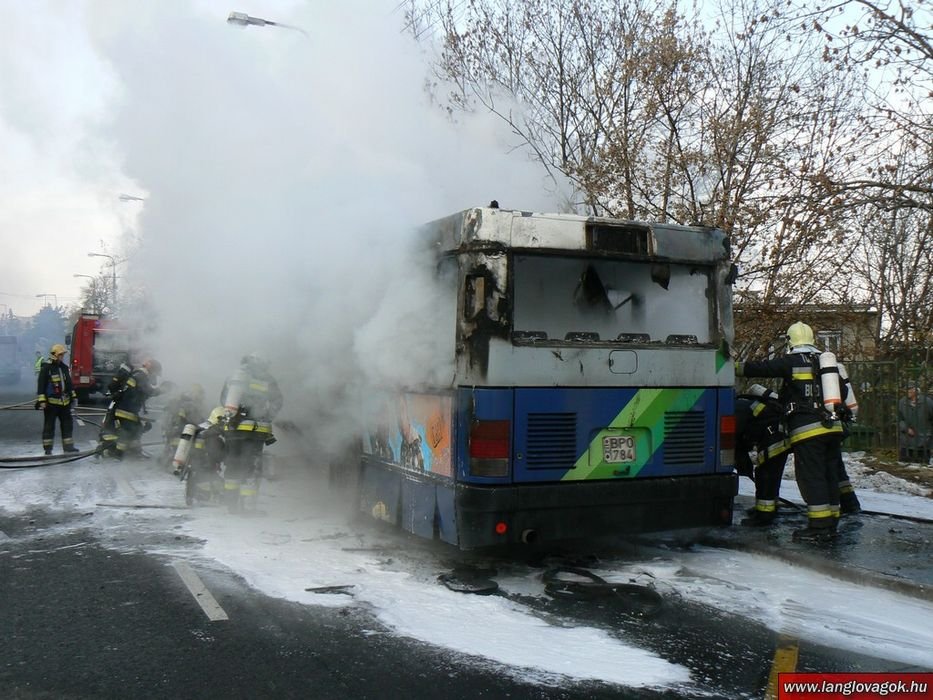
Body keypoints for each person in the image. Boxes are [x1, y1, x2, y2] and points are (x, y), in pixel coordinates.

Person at [736, 322, 844, 542]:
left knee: (811, 477)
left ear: (789, 340)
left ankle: (819, 528)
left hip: (808, 431)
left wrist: (730, 365)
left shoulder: (792, 361)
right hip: (834, 427)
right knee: (829, 475)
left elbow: (760, 368)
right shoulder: (825, 363)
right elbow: (842, 390)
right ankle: (831, 522)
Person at [219, 352, 283, 513]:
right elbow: (277, 400)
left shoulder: (233, 377)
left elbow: (223, 400)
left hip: (233, 429)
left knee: (233, 464)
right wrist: (268, 415)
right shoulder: (267, 379)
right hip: (254, 431)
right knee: (251, 466)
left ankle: (231, 505)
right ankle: (247, 507)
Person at [735, 384, 789, 527]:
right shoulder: (744, 404)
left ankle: (764, 516)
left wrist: (741, 460)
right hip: (779, 435)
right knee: (771, 474)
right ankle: (767, 509)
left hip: (773, 438)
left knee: (765, 474)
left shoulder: (735, 409)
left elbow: (737, 440)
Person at [99, 358, 166, 460]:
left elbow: (141, 393)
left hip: (126, 409)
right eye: (155, 374)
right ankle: (119, 454)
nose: (155, 377)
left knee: (136, 429)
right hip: (126, 410)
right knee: (127, 432)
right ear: (152, 370)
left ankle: (133, 452)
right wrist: (162, 390)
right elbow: (148, 391)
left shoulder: (137, 375)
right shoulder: (141, 376)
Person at [35, 344, 80, 455]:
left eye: (63, 355)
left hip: (65, 403)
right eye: (60, 355)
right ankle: (48, 449)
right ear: (54, 355)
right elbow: (41, 386)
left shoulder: (64, 368)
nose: (62, 357)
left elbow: (69, 384)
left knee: (67, 425)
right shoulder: (46, 368)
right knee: (49, 426)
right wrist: (42, 401)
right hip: (51, 404)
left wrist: (73, 397)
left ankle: (68, 447)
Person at [161, 384, 207, 469]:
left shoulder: (185, 403)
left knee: (174, 452)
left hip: (177, 434)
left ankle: (170, 461)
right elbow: (194, 420)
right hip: (181, 434)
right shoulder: (188, 404)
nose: (201, 396)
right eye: (200, 393)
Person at [897, 380, 933, 465]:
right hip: (906, 440)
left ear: (917, 390)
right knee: (904, 467)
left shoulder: (928, 402)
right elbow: (899, 418)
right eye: (906, 389)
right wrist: (905, 428)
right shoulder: (902, 402)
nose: (908, 391)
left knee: (922, 466)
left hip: (923, 440)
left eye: (910, 389)